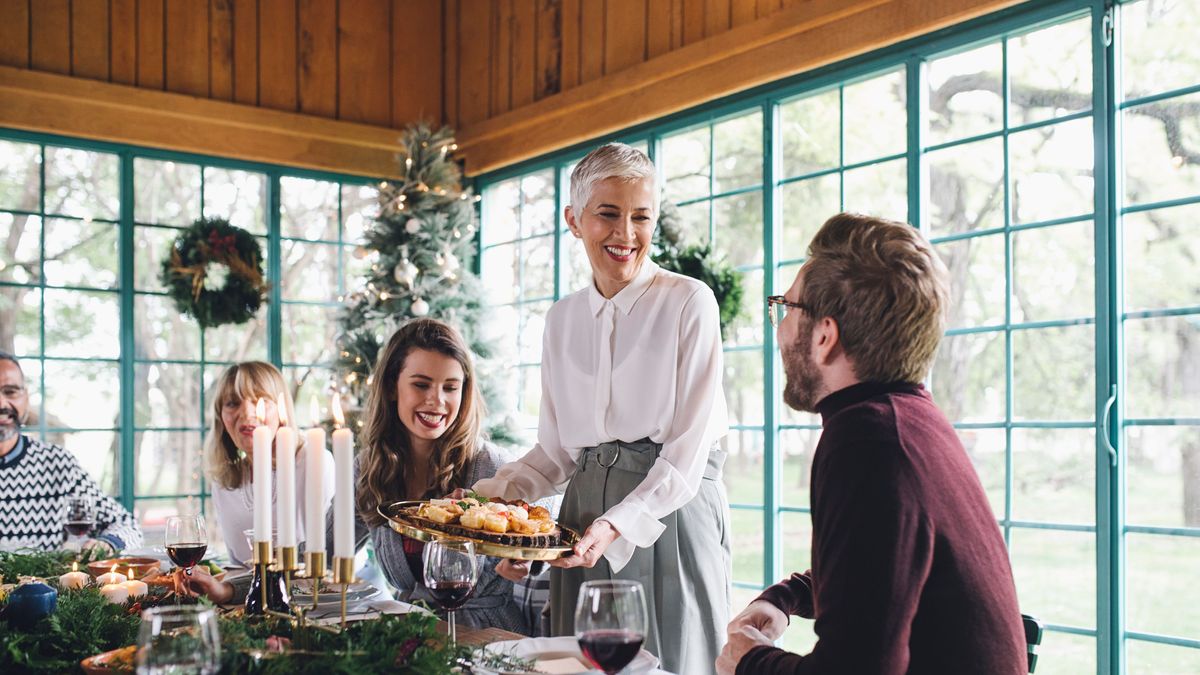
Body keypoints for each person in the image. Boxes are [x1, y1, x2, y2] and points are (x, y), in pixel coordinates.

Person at [717, 213, 1025, 675]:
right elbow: (884, 577)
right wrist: (789, 598)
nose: (779, 331)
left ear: (824, 336)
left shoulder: (868, 442)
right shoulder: (909, 422)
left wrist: (750, 662)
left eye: (786, 308)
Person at [472, 143, 731, 674]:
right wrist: (501, 506)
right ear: (573, 219)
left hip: (671, 516)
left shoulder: (689, 302)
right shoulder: (561, 320)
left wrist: (617, 526)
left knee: (675, 662)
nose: (626, 234)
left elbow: (686, 454)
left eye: (641, 217)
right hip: (583, 517)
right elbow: (557, 452)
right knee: (582, 666)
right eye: (608, 214)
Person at [332, 318, 542, 634]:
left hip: (489, 640)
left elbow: (545, 519)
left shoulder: (492, 464)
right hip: (408, 637)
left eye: (450, 387)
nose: (437, 400)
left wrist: (525, 559)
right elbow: (318, 552)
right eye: (421, 384)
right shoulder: (369, 469)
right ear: (392, 386)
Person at [0, 351, 142, 554]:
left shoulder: (57, 463)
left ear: (26, 397)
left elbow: (127, 525)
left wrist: (106, 544)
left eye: (11, 392)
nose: (1, 404)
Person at [205, 361, 334, 567]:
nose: (247, 413)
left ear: (281, 411)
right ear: (221, 417)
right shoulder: (223, 483)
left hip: (340, 593)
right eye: (232, 403)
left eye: (260, 400)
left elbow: (331, 554)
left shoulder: (314, 461)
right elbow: (241, 568)